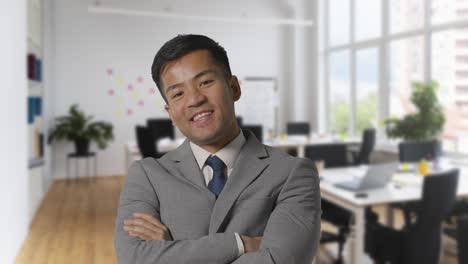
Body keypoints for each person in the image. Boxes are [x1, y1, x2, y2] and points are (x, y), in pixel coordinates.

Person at [114, 34, 321, 264]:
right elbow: (134, 259)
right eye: (178, 94)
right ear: (170, 112)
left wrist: (171, 250)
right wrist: (241, 243)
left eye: (205, 82)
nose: (194, 99)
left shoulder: (293, 173)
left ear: (233, 88)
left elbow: (281, 260)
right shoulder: (146, 175)